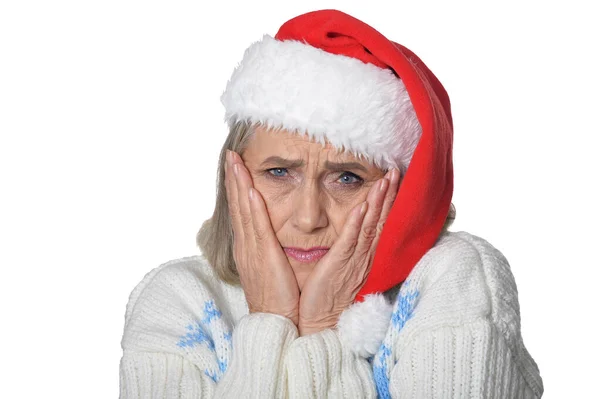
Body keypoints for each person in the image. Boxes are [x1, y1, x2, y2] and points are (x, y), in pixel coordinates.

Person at [119, 9, 543, 398]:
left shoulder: (452, 280)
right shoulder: (178, 301)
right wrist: (271, 320)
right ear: (233, 176)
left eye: (347, 178)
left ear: (403, 192)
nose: (308, 218)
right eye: (279, 172)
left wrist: (322, 331)